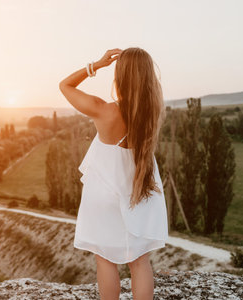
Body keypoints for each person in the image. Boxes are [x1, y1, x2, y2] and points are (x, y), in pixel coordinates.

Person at [59, 47, 168, 300]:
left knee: (105, 259)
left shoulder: (104, 110)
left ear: (120, 75)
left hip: (103, 191)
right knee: (140, 261)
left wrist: (96, 65)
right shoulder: (152, 112)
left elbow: (65, 85)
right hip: (139, 188)